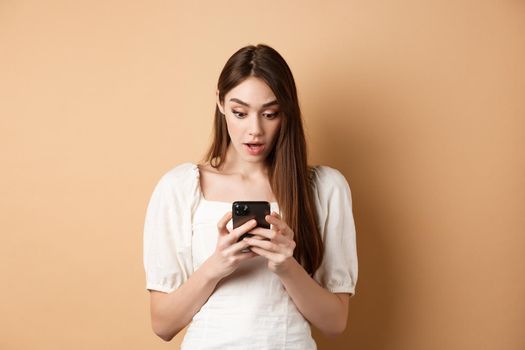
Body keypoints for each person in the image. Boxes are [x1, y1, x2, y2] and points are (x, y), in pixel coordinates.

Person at [143, 43, 358, 349]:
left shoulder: (325, 188)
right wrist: (216, 266)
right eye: (240, 113)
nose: (254, 130)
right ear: (220, 103)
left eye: (270, 114)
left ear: (287, 112)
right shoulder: (179, 187)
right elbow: (163, 324)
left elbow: (335, 323)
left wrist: (287, 265)